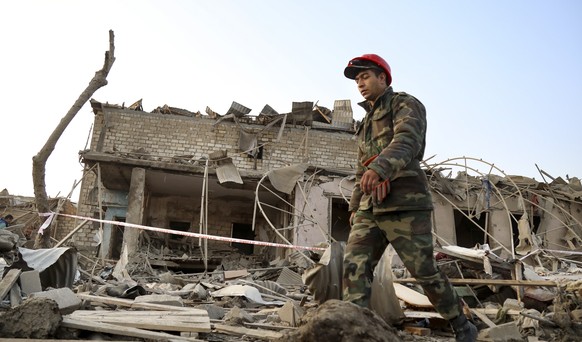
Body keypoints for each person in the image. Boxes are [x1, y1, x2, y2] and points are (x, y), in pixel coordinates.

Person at [342, 54, 477, 342]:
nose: (360, 84)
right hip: (370, 207)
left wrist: (380, 168)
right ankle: (355, 331)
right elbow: (361, 169)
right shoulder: (364, 123)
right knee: (354, 267)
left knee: (424, 271)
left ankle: (461, 325)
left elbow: (408, 141)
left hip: (405, 203)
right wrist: (355, 207)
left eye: (365, 76)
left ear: (383, 77)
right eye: (357, 80)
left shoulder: (404, 103)